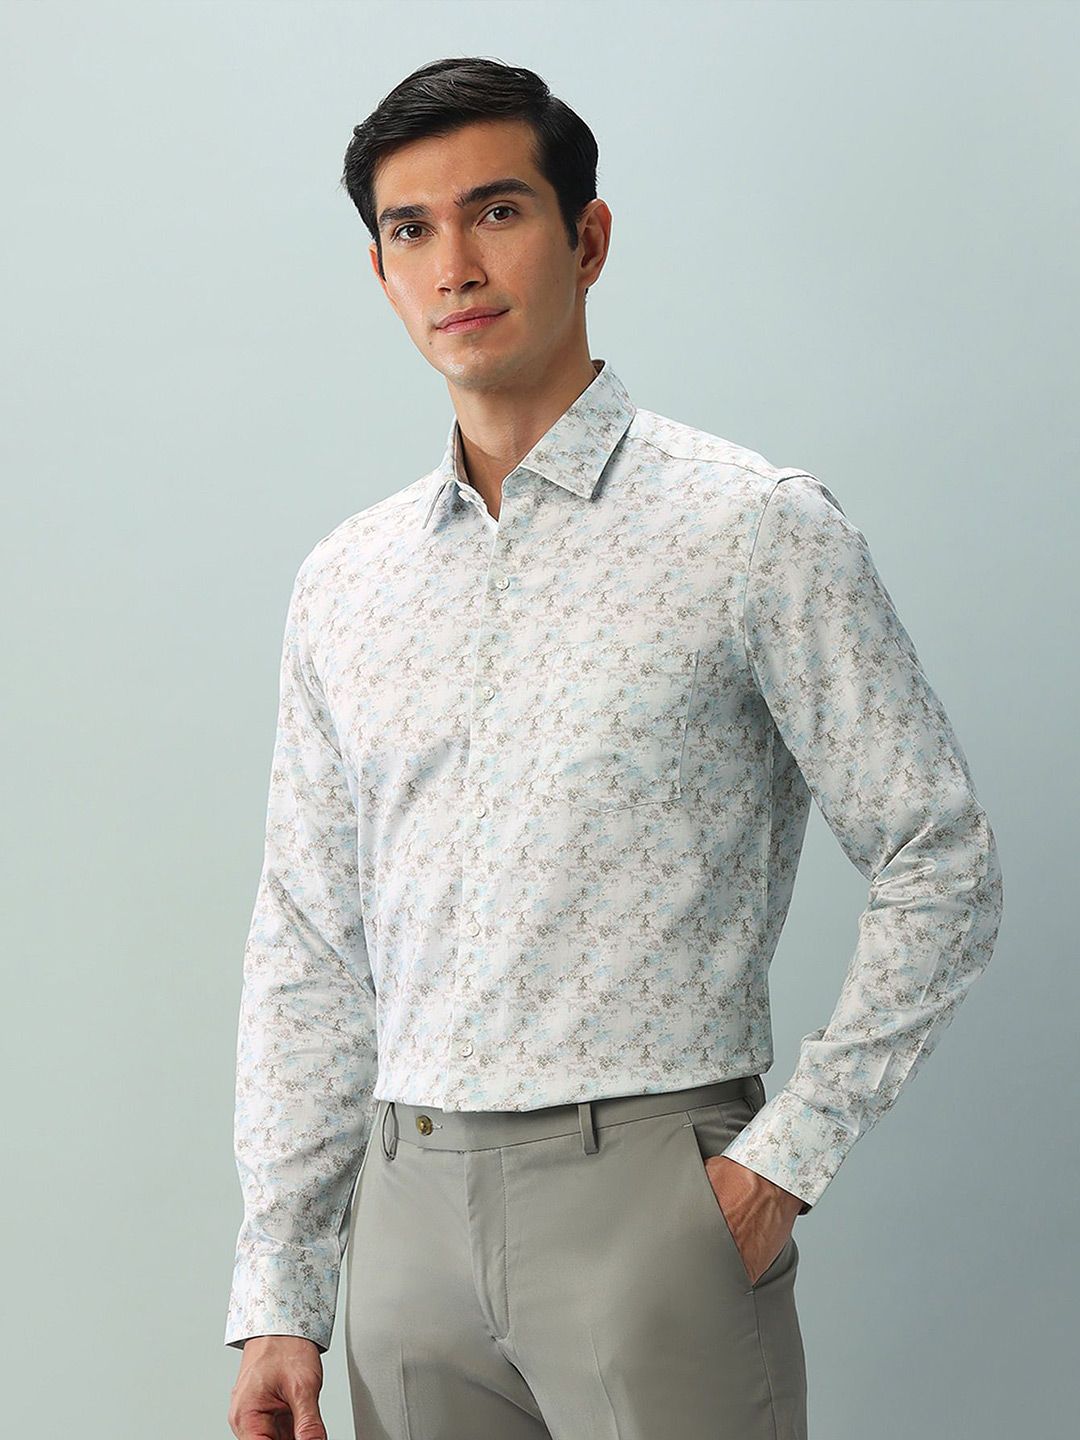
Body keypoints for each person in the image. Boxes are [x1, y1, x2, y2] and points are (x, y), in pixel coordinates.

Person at [225, 56, 1004, 1440]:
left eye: (497, 211)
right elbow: (309, 940)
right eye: (412, 229)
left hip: (652, 1204)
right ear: (381, 272)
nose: (455, 264)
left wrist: (782, 1162)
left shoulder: (751, 529)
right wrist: (282, 1285)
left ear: (586, 239)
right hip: (403, 1234)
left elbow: (941, 860)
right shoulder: (345, 584)